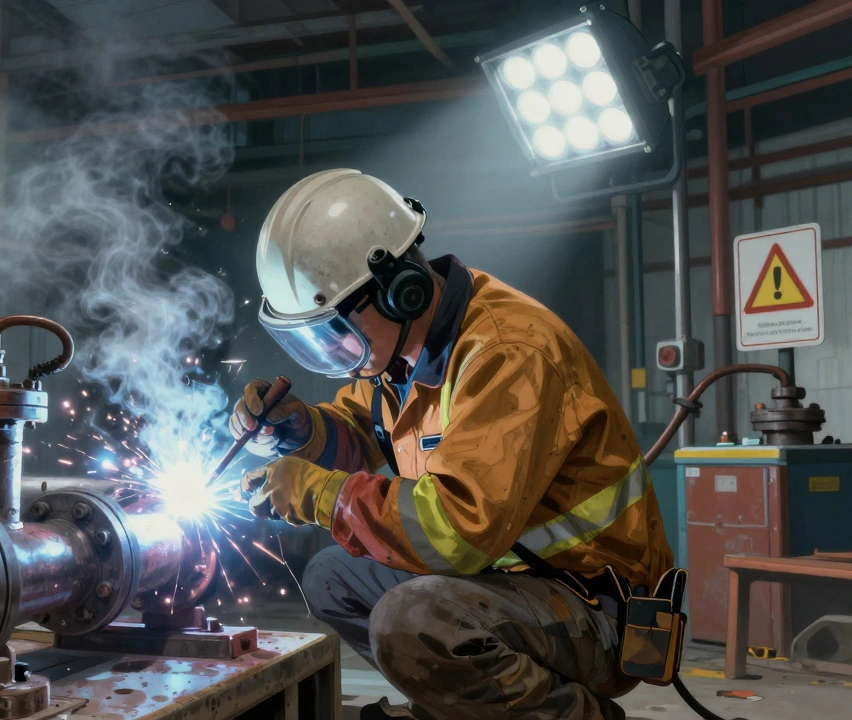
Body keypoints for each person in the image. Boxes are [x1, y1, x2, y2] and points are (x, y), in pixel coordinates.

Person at [232, 168, 672, 720]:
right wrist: (301, 430)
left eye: (335, 328)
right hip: (514, 585)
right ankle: (466, 706)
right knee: (331, 578)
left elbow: (457, 533)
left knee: (412, 619)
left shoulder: (506, 353)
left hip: (602, 609)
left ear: (398, 291)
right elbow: (368, 438)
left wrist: (320, 494)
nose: (335, 348)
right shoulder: (401, 361)